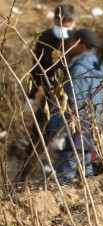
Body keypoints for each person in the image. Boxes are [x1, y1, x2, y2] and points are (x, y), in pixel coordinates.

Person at [48, 28, 103, 184]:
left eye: (73, 41)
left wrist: (61, 133)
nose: (70, 44)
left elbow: (74, 102)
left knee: (68, 172)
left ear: (82, 44)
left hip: (74, 130)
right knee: (85, 172)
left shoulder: (79, 69)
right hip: (90, 127)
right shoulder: (98, 67)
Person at [26, 4, 78, 152]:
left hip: (73, 95)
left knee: (69, 136)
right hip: (50, 93)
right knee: (39, 130)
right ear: (55, 19)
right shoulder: (45, 37)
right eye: (60, 22)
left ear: (74, 21)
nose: (63, 27)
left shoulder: (77, 40)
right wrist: (31, 95)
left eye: (67, 23)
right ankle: (31, 160)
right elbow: (37, 67)